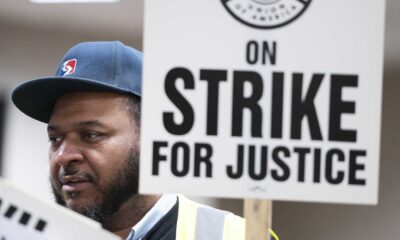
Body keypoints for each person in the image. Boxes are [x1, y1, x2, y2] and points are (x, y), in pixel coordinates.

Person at [11, 41, 245, 240]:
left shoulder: (234, 236)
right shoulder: (24, 233)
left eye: (91, 135)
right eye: (55, 138)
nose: (63, 156)